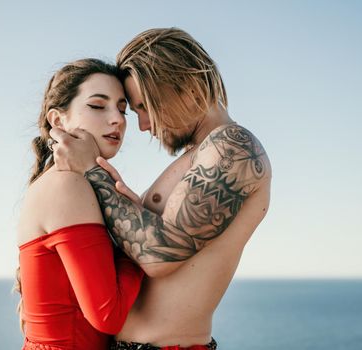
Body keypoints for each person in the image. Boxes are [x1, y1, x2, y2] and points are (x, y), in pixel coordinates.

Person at [49, 28, 272, 350]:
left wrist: (90, 171)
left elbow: (158, 258)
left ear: (185, 85)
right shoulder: (199, 155)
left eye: (144, 106)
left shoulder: (232, 148)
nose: (142, 125)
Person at [15, 58, 144, 350]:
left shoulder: (66, 182)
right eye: (98, 106)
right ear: (58, 120)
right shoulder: (67, 185)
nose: (118, 119)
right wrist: (138, 234)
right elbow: (107, 316)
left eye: (123, 109)